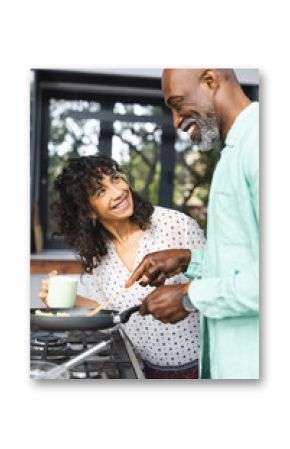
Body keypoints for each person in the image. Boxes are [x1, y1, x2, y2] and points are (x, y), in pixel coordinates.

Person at [126, 69, 259, 380]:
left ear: (210, 80)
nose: (175, 122)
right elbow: (246, 260)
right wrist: (188, 260)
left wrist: (189, 296)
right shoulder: (234, 152)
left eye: (178, 103)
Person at [39, 155, 205, 379]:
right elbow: (111, 313)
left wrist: (186, 295)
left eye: (115, 179)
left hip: (203, 366)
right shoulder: (97, 255)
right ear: (88, 211)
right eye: (101, 191)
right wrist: (67, 299)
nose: (118, 191)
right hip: (146, 370)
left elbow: (219, 278)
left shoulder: (176, 224)